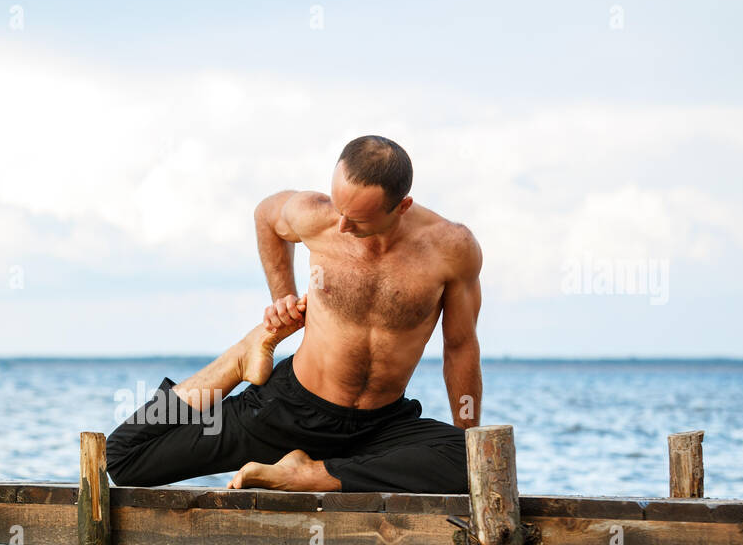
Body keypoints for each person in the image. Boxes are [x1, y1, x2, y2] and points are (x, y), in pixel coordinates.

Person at [106, 135, 483, 494]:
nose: (341, 226)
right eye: (340, 208)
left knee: (471, 460)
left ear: (401, 206)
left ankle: (312, 474)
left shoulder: (451, 249)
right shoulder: (314, 215)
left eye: (358, 220)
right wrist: (283, 299)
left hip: (379, 428)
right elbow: (266, 216)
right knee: (125, 458)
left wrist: (469, 443)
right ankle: (239, 358)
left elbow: (460, 347)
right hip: (284, 411)